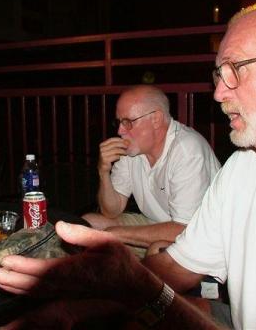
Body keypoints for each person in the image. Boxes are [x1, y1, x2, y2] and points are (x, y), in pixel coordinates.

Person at [0, 2, 256, 329]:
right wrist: (72, 308)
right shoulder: (244, 169)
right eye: (218, 74)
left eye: (235, 69)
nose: (219, 91)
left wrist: (136, 286)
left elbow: (153, 285)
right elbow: (175, 267)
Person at [83, 85, 220, 254]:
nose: (120, 131)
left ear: (156, 119)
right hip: (155, 223)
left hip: (200, 237)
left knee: (157, 250)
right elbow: (112, 210)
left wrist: (116, 234)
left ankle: (133, 277)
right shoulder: (132, 150)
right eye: (118, 122)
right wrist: (103, 171)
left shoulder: (187, 150)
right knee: (88, 224)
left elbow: (184, 229)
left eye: (127, 122)